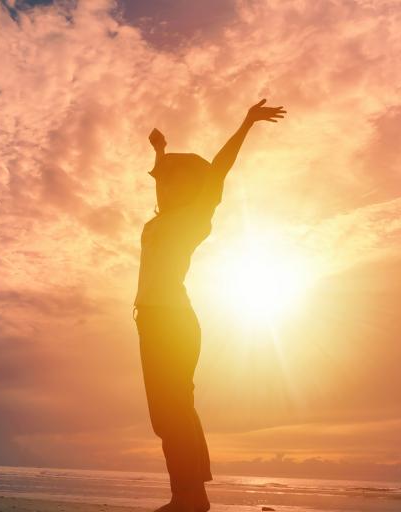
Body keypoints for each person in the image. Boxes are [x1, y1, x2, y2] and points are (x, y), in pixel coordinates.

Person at [134, 99, 286, 512]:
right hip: (151, 322)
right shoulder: (161, 219)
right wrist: (160, 153)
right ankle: (189, 495)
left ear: (190, 186)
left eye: (173, 180)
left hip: (171, 321)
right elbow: (161, 181)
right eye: (163, 180)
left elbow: (219, 168)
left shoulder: (195, 216)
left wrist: (246, 123)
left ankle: (188, 498)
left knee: (175, 412)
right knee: (167, 416)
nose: (163, 183)